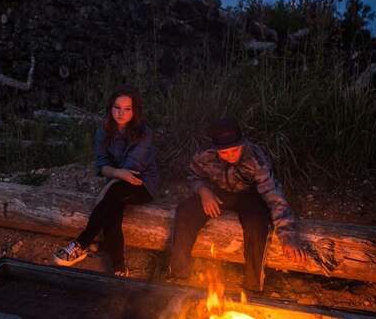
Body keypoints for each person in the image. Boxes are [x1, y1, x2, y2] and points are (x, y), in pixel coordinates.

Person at [169, 117, 306, 291]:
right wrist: (204, 191)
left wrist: (288, 237)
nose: (231, 155)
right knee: (185, 211)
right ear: (215, 149)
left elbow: (274, 197)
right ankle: (178, 276)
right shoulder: (205, 155)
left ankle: (253, 286)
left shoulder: (256, 159)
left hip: (249, 196)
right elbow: (193, 176)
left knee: (257, 223)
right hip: (217, 193)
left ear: (242, 143)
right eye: (224, 152)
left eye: (235, 150)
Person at [54, 85, 159, 277]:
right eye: (117, 108)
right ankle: (119, 266)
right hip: (118, 183)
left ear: (134, 111)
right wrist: (113, 177)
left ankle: (82, 242)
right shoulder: (104, 131)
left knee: (113, 195)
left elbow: (131, 171)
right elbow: (101, 165)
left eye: (127, 109)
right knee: (113, 208)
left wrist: (108, 185)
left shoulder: (144, 133)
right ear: (110, 108)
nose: (121, 113)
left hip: (142, 184)